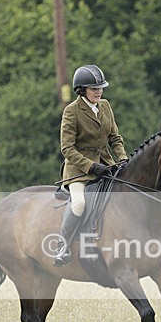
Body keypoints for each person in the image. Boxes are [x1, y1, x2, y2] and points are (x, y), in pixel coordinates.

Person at [54, 64, 128, 266]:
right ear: (82, 90)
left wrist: (122, 159)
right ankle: (63, 246)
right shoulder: (72, 111)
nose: (99, 91)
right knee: (79, 203)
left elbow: (115, 138)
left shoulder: (105, 106)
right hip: (79, 172)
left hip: (107, 165)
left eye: (100, 88)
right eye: (94, 88)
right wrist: (91, 167)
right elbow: (67, 149)